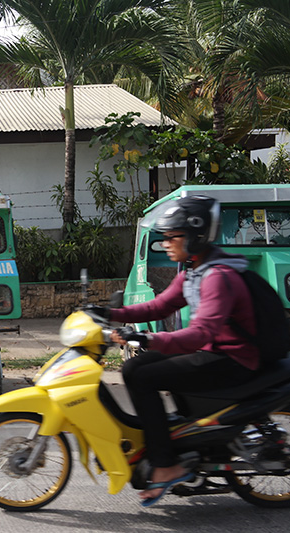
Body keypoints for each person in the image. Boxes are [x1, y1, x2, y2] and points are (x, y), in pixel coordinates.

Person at [102, 195, 260, 507]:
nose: (166, 243)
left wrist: (146, 339)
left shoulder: (218, 277)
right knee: (136, 368)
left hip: (232, 360)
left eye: (174, 237)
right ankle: (171, 440)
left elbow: (200, 334)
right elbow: (160, 305)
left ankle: (165, 464)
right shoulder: (195, 271)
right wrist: (109, 313)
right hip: (214, 352)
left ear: (196, 236)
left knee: (142, 374)